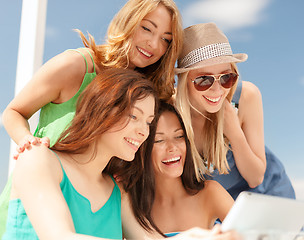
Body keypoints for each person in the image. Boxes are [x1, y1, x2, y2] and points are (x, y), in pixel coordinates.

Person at [0, 0, 183, 236]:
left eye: (166, 39)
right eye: (147, 28)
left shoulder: (145, 94)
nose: (154, 44)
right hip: (43, 194)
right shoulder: (76, 65)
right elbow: (14, 112)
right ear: (128, 22)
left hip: (96, 203)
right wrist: (28, 142)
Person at [2, 68, 157, 239]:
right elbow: (59, 236)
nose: (144, 131)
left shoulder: (118, 193)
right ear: (101, 109)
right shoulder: (37, 158)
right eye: (134, 116)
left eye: (149, 122)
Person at [175, 23, 296, 201]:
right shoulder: (169, 111)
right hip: (213, 207)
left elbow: (256, 178)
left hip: (267, 195)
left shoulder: (246, 96)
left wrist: (234, 133)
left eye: (226, 77)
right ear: (184, 80)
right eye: (203, 80)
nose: (217, 90)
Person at [113, 102, 234, 239]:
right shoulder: (130, 202)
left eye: (179, 136)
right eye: (159, 140)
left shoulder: (210, 193)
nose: (172, 147)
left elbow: (252, 233)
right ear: (142, 149)